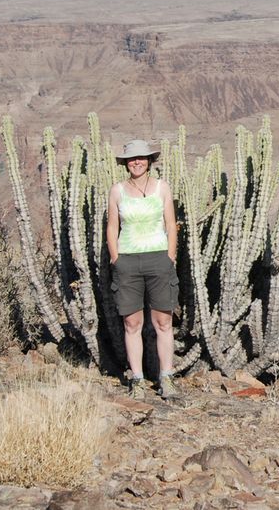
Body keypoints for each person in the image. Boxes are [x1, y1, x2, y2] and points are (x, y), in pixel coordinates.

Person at [106, 139, 181, 400]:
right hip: (128, 261)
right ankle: (137, 379)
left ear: (149, 160)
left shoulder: (162, 187)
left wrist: (170, 256)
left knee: (163, 321)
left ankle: (167, 377)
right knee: (132, 322)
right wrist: (116, 257)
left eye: (141, 157)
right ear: (125, 163)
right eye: (131, 158)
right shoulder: (117, 190)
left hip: (158, 258)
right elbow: (112, 226)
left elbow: (171, 224)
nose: (136, 162)